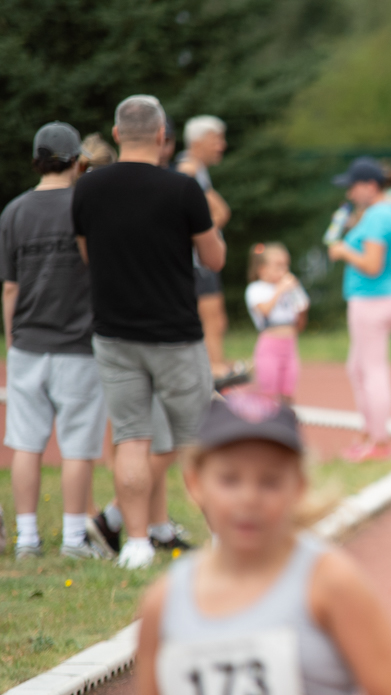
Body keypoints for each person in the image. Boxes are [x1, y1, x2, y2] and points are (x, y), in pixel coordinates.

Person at [96, 393, 391, 695]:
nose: (249, 498)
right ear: (196, 482)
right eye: (230, 479)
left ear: (298, 487)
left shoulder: (330, 585)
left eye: (269, 481)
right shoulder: (166, 602)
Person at [73, 94, 225, 569]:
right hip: (175, 333)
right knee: (199, 437)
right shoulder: (182, 189)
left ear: (117, 135)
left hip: (115, 332)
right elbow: (214, 258)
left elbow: (86, 255)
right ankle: (222, 537)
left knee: (132, 438)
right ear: (162, 136)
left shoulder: (88, 189)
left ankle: (136, 543)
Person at [0, 122, 108, 560]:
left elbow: (10, 287)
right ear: (77, 160)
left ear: (37, 160)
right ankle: (73, 538)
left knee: (26, 442)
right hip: (79, 342)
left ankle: (27, 538)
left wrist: (13, 339)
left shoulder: (14, 212)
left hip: (28, 340)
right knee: (77, 445)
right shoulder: (89, 206)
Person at [326, 156, 391, 463]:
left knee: (372, 371)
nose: (349, 194)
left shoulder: (376, 216)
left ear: (370, 186)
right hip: (387, 296)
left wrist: (344, 250)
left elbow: (372, 265)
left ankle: (379, 442)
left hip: (372, 300)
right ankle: (370, 433)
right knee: (359, 368)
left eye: (353, 187)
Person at [176, 115, 245, 389]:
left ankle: (214, 367)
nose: (222, 145)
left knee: (216, 317)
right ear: (198, 141)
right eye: (216, 139)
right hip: (196, 260)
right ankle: (213, 371)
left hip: (199, 258)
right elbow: (219, 212)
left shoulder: (198, 169)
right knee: (210, 316)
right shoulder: (189, 169)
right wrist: (204, 237)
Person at [245, 243, 309, 403]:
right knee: (268, 392)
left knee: (288, 392)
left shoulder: (290, 289)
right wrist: (280, 289)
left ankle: (285, 424)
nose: (284, 270)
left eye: (286, 265)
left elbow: (301, 312)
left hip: (289, 346)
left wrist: (296, 293)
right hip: (269, 347)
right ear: (262, 269)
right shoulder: (256, 289)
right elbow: (265, 310)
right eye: (278, 266)